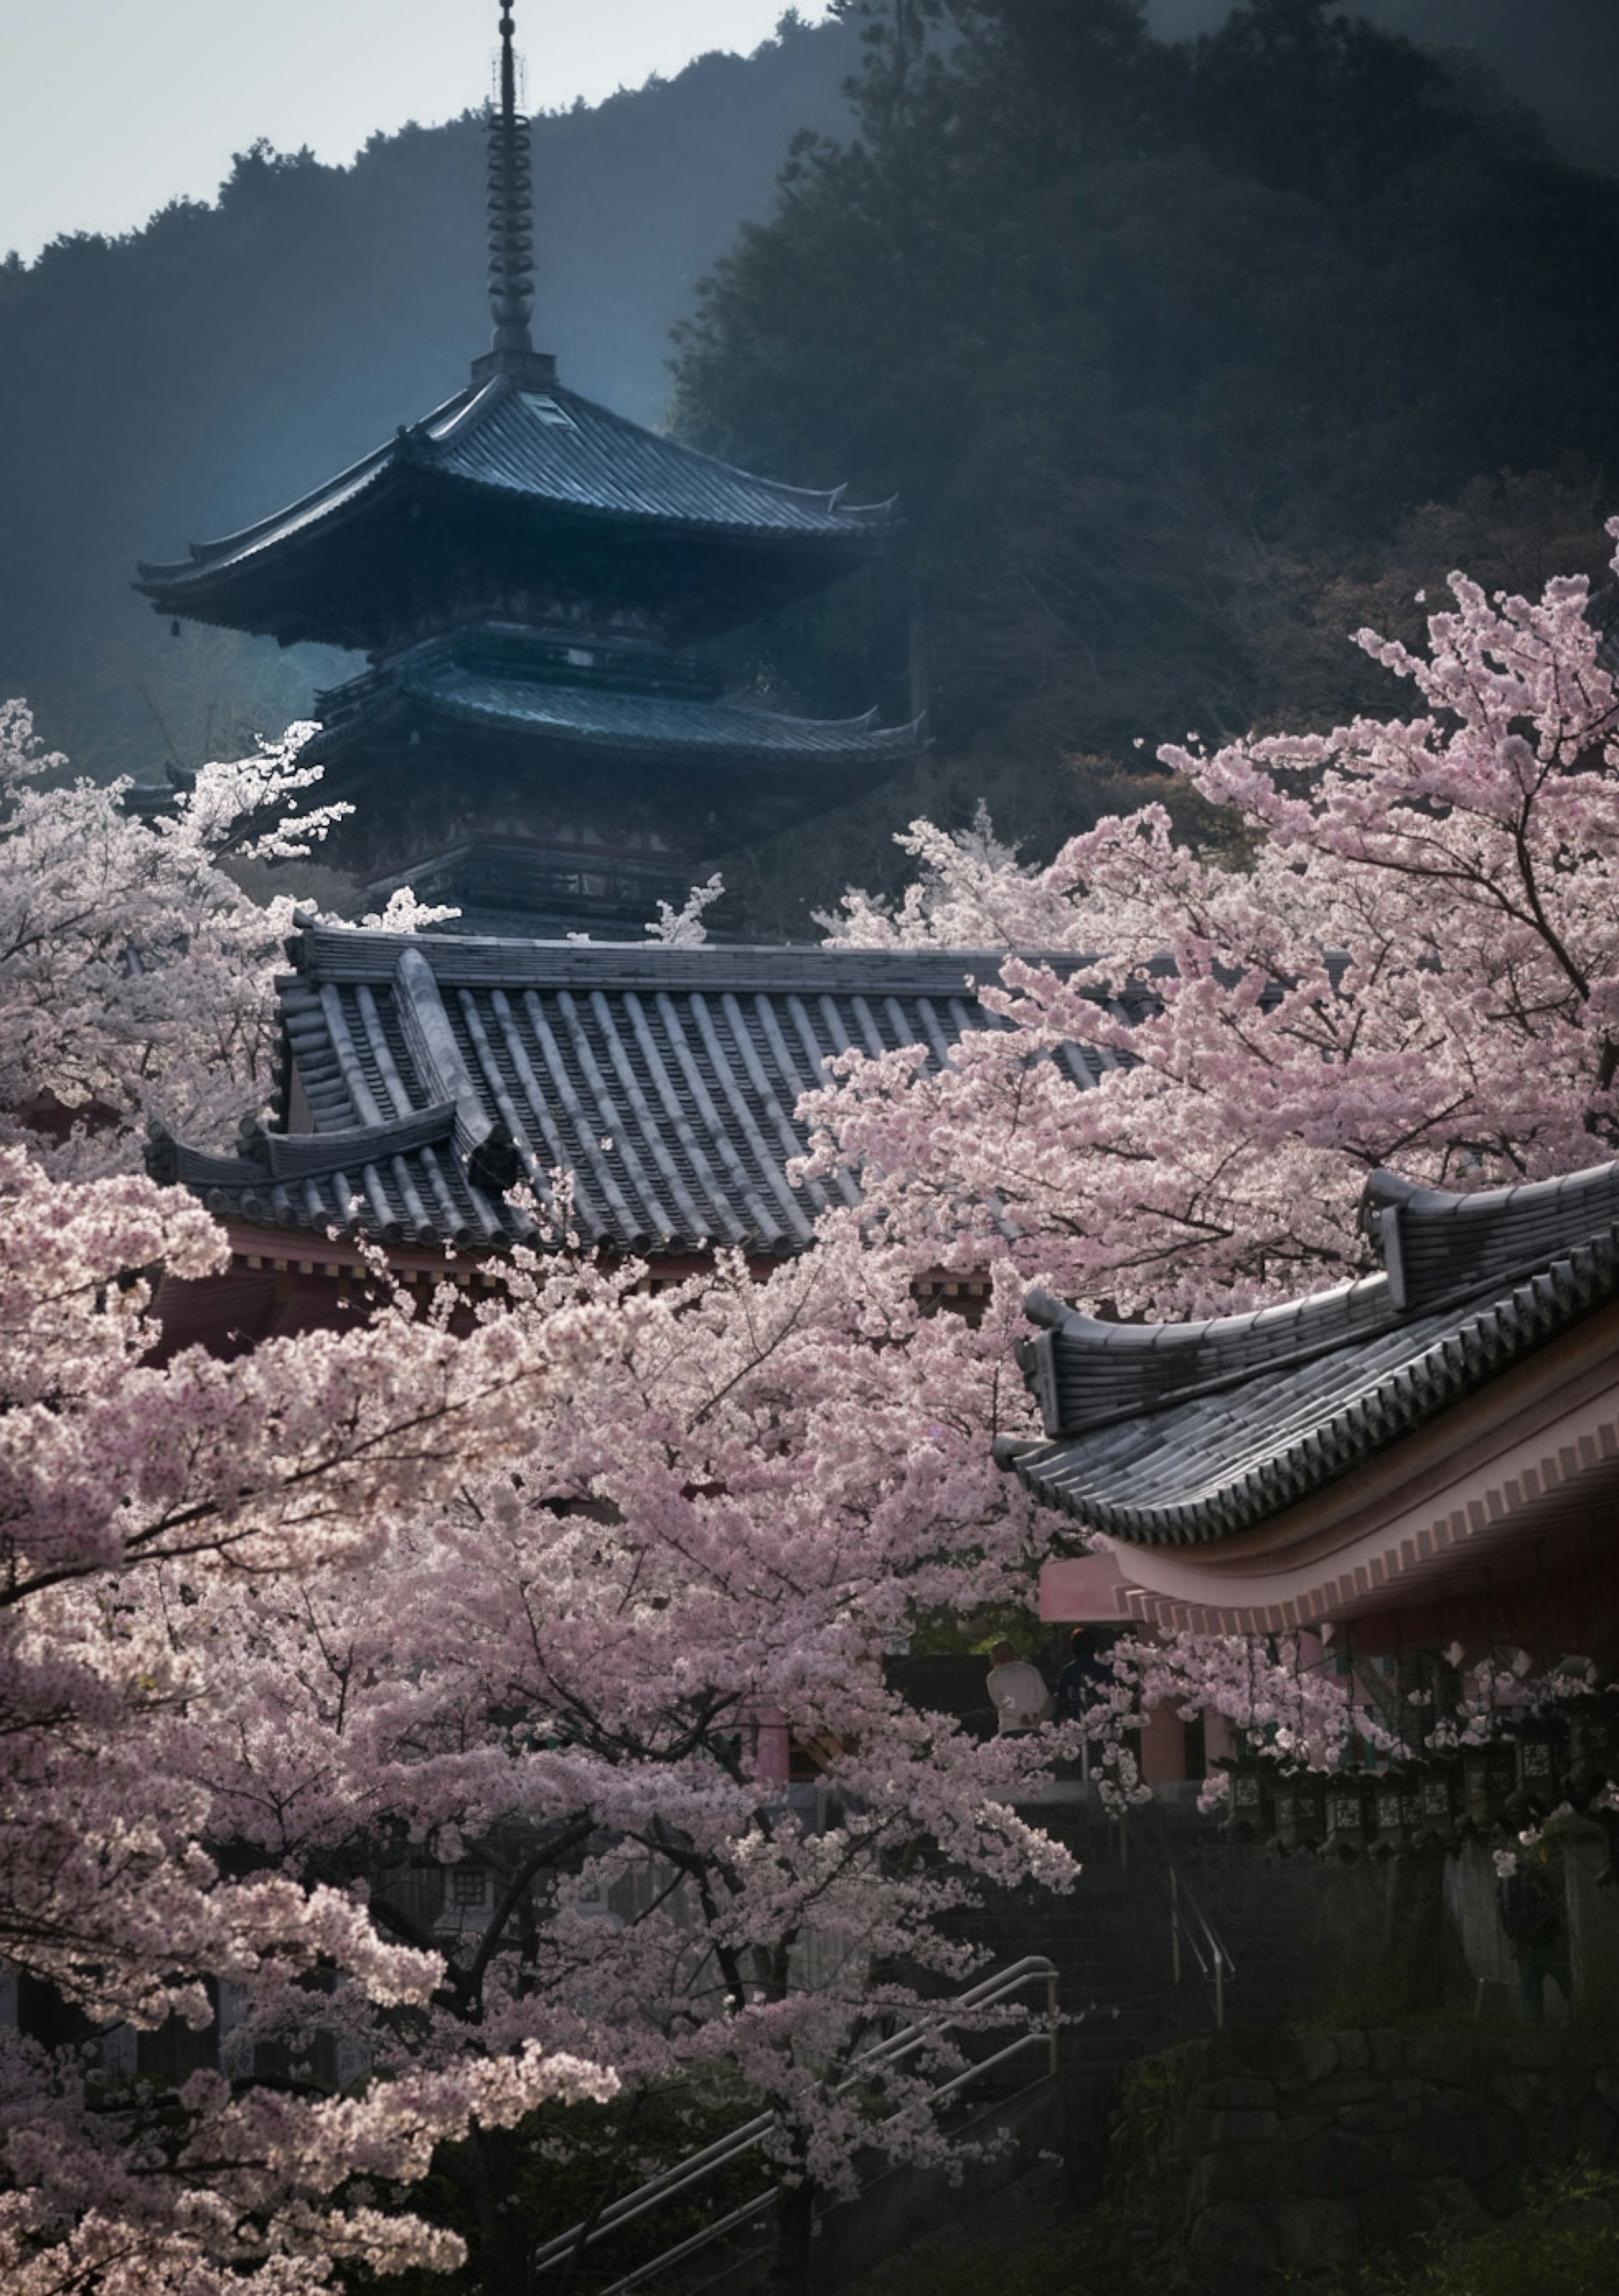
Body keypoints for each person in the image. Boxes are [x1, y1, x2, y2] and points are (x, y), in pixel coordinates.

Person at [986, 1641, 1053, 1736]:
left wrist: (1020, 1716)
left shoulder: (994, 1677)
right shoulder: (1032, 1670)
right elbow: (1044, 1697)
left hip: (1010, 1727)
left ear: (996, 1656)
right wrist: (1034, 1715)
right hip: (1035, 1726)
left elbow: (1001, 1702)